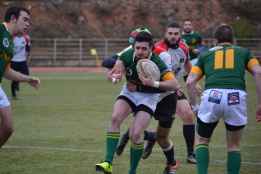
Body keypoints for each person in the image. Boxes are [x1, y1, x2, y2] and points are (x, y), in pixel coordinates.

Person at [95, 32, 180, 174]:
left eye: (144, 49)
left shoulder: (157, 62)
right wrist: (114, 77)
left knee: (135, 135)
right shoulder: (127, 55)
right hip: (129, 92)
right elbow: (118, 71)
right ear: (133, 47)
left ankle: (132, 171)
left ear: (151, 48)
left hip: (149, 97)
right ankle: (108, 163)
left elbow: (174, 84)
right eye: (137, 48)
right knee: (115, 118)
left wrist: (153, 83)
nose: (140, 51)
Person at [117, 22, 198, 164]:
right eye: (170, 33)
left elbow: (187, 66)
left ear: (180, 35)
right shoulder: (157, 50)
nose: (173, 36)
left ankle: (191, 154)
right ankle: (128, 136)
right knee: (138, 131)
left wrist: (192, 80)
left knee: (188, 115)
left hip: (170, 91)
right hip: (152, 93)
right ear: (165, 34)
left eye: (176, 34)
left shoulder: (184, 48)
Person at [186, 24, 261, 174]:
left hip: (212, 96)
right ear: (232, 39)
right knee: (234, 145)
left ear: (215, 40)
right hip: (236, 97)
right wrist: (260, 103)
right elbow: (258, 72)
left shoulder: (205, 55)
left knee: (202, 141)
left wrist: (194, 105)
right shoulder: (244, 52)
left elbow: (189, 81)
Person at [0, 7, 40, 148]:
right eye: (25, 19)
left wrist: (28, 79)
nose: (28, 24)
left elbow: (6, 71)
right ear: (13, 19)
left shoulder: (10, 43)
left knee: (8, 127)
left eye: (29, 21)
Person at [10, 31, 31, 99]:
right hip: (14, 61)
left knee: (26, 75)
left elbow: (28, 49)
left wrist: (27, 59)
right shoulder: (12, 38)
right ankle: (14, 94)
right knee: (14, 78)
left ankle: (17, 82)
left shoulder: (26, 38)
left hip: (22, 61)